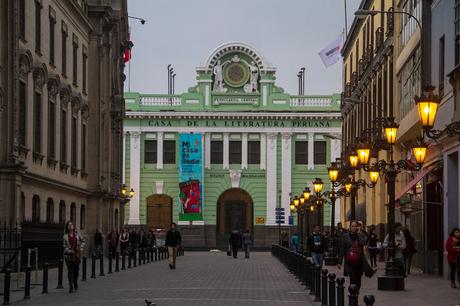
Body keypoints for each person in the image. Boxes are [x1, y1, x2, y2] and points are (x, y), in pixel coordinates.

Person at [337, 220, 368, 292]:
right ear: (350, 227)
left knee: (358, 282)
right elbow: (343, 249)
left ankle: (355, 294)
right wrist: (339, 262)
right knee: (352, 280)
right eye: (352, 226)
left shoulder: (360, 236)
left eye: (355, 226)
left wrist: (359, 233)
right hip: (350, 262)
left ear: (357, 227)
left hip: (359, 262)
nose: (354, 228)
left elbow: (363, 244)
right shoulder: (345, 236)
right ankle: (353, 296)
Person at [63, 221, 85, 293]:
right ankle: (71, 286)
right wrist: (69, 251)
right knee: (70, 271)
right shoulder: (65, 236)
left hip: (76, 255)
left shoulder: (77, 235)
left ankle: (75, 282)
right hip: (68, 256)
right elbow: (64, 247)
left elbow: (83, 241)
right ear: (67, 227)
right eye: (68, 225)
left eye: (71, 225)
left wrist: (81, 248)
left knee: (76, 271)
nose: (70, 226)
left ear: (73, 226)